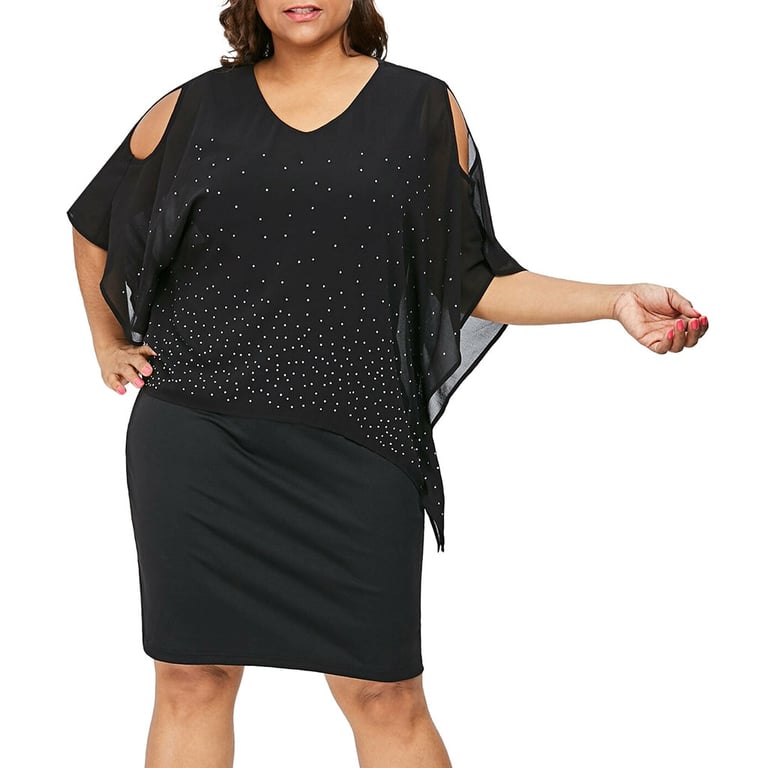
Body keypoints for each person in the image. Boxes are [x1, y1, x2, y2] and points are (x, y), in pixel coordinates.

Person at [68, 1, 708, 766]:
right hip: (199, 441)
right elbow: (95, 221)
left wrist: (614, 300)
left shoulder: (423, 107)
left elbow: (473, 279)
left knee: (384, 695)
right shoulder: (192, 107)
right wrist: (106, 340)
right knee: (190, 679)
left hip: (360, 447)